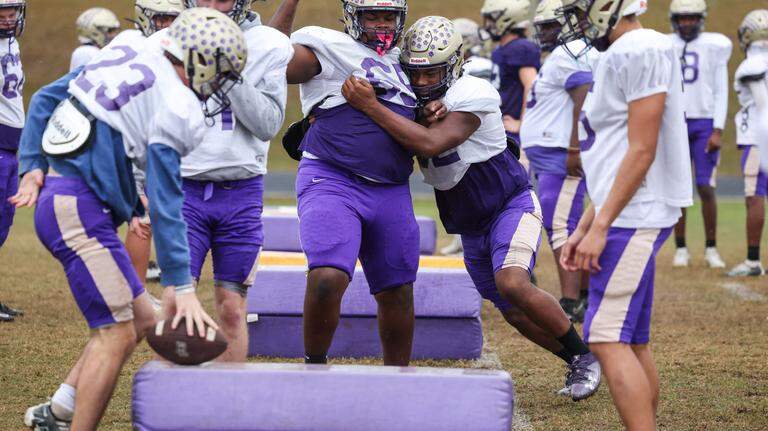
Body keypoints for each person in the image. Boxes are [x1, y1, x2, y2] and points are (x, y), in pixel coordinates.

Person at [342, 15, 601, 401]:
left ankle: (586, 358)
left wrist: (371, 107)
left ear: (454, 64)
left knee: (512, 282)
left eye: (432, 73)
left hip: (508, 203)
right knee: (510, 308)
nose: (424, 82)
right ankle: (574, 358)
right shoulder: (413, 98)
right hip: (468, 221)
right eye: (417, 74)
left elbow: (431, 145)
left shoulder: (473, 90)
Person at [16, 9, 246, 430]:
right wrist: (182, 285)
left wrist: (31, 161)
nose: (216, 86)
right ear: (199, 61)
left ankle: (60, 412)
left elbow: (48, 97)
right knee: (117, 333)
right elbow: (166, 195)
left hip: (69, 200)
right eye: (219, 74)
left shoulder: (127, 46)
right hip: (78, 211)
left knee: (142, 319)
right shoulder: (179, 104)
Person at [558, 0, 693, 429]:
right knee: (631, 340)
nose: (577, 23)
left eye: (581, 11)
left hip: (635, 212)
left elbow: (642, 149)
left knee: (605, 336)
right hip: (625, 208)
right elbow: (616, 155)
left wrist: (601, 226)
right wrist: (585, 224)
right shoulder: (622, 52)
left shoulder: (640, 48)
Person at [270, 0, 419, 366]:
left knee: (397, 289)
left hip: (391, 187)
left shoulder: (406, 63)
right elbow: (270, 57)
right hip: (332, 177)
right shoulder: (329, 48)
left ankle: (398, 378)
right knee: (326, 277)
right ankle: (314, 364)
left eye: (389, 16)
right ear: (354, 17)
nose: (382, 24)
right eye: (373, 16)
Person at [164, 0, 293, 362]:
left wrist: (227, 76)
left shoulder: (267, 42)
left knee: (232, 308)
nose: (210, 6)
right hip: (185, 188)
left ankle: (229, 403)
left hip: (240, 192)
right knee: (174, 299)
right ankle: (168, 405)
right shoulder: (172, 40)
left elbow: (268, 124)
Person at [520, 0, 596, 322]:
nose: (545, 33)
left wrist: (575, 148)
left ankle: (572, 300)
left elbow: (583, 99)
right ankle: (582, 295)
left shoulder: (574, 52)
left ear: (571, 22)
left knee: (561, 225)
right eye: (543, 27)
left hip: (560, 153)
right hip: (550, 152)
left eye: (552, 26)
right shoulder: (563, 54)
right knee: (563, 224)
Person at [667, 0, 731, 269]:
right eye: (682, 18)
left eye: (692, 18)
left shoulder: (715, 46)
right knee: (679, 189)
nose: (687, 23)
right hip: (675, 121)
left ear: (700, 19)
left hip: (704, 122)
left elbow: (721, 88)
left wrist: (717, 128)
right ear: (675, 20)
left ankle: (711, 248)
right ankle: (681, 249)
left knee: (705, 187)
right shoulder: (665, 44)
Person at [727, 9, 768, 277]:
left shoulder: (751, 65)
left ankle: (753, 261)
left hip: (758, 137)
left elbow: (763, 104)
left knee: (754, 197)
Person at [481, 0, 538, 171]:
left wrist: (523, 123)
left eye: (492, 19)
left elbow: (532, 86)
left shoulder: (520, 47)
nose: (488, 24)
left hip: (515, 134)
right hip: (501, 131)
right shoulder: (501, 49)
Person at [0, 0, 26, 322]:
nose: (8, 19)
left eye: (12, 12)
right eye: (1, 13)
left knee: (2, 226)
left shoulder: (12, 41)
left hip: (9, 149)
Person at [69, 7, 120, 72]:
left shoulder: (100, 52)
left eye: (114, 30)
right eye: (110, 31)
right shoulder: (85, 52)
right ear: (94, 32)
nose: (114, 35)